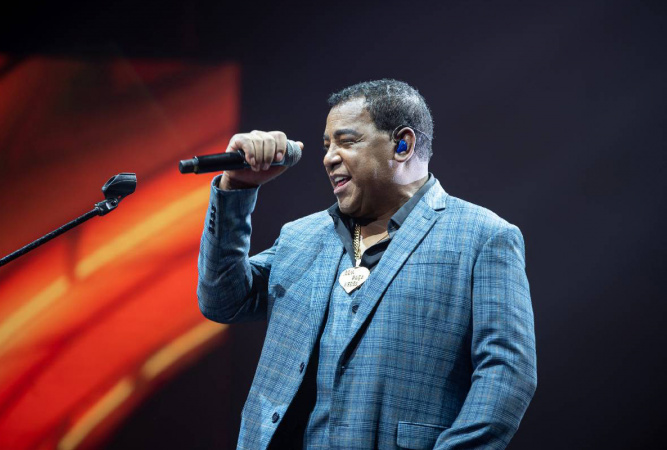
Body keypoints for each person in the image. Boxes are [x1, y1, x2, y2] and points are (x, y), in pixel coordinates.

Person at [197, 79, 537, 450]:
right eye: (327, 146)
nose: (329, 158)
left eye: (346, 141)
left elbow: (506, 374)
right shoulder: (301, 236)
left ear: (403, 145)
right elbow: (222, 301)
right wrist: (237, 188)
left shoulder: (482, 237)